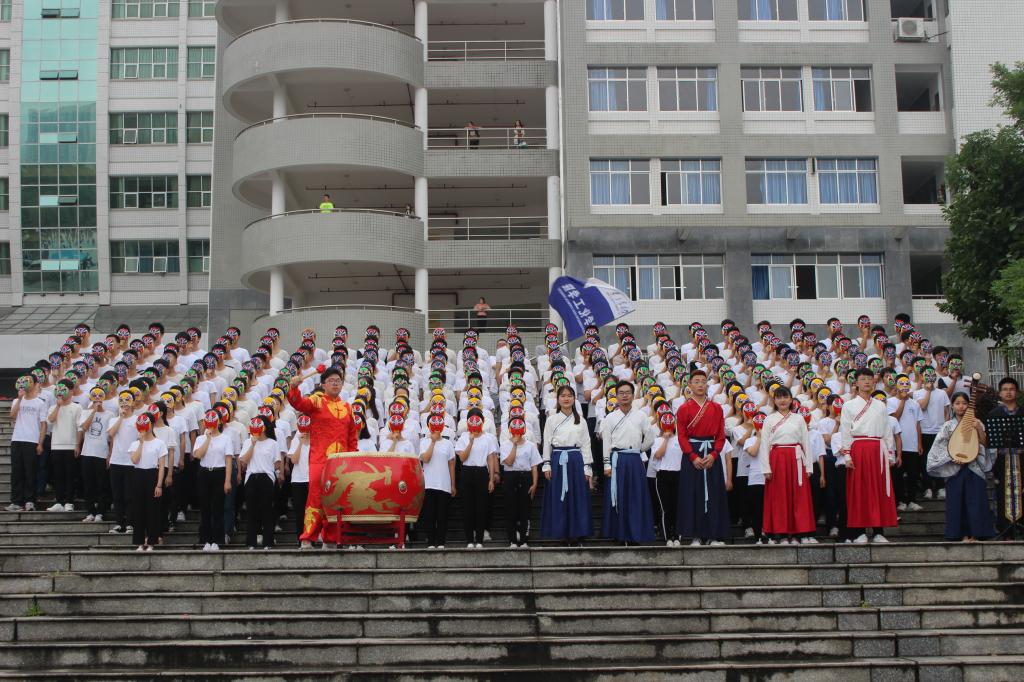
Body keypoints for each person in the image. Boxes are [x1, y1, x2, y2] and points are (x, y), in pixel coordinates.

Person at [287, 367, 359, 547]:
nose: (335, 383)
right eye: (331, 380)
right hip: (319, 460)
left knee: (336, 500)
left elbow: (352, 437)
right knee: (315, 498)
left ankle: (330, 538)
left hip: (340, 463)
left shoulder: (347, 407)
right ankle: (307, 537)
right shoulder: (317, 401)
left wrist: (351, 460)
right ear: (323, 384)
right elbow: (298, 403)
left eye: (338, 380)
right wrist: (294, 388)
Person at [926, 392, 996, 542]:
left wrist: (979, 429)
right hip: (954, 468)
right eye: (957, 403)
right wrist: (952, 457)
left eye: (964, 403)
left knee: (976, 501)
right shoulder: (947, 426)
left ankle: (977, 533)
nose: (961, 406)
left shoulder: (977, 422)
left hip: (974, 467)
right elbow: (939, 447)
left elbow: (985, 444)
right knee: (957, 502)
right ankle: (961, 534)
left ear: (969, 406)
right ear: (952, 406)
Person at [840, 368, 897, 543]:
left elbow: (887, 431)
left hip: (878, 448)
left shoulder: (880, 405)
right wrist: (847, 455)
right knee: (859, 490)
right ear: (856, 383)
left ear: (874, 382)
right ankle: (859, 532)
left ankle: (879, 531)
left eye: (869, 379)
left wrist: (890, 454)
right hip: (858, 448)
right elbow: (845, 431)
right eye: (863, 379)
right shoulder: (849, 405)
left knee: (878, 489)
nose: (866, 382)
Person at [676, 370, 730, 546]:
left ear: (707, 384)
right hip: (692, 454)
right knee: (692, 494)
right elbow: (681, 436)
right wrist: (692, 456)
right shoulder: (683, 409)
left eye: (703, 381)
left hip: (711, 453)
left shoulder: (716, 408)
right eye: (696, 381)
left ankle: (714, 535)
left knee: (714, 493)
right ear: (689, 385)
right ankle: (695, 536)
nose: (700, 384)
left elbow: (721, 435)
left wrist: (714, 454)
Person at [600, 380, 655, 545]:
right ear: (616, 396)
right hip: (616, 459)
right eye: (621, 393)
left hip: (634, 459)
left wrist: (638, 450)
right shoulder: (610, 417)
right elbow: (606, 443)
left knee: (635, 496)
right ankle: (619, 534)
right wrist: (607, 464)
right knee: (618, 496)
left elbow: (650, 438)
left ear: (633, 395)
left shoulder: (641, 415)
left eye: (628, 392)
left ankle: (636, 533)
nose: (624, 396)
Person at [759, 387, 816, 544]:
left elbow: (806, 443)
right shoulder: (769, 419)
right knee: (780, 497)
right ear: (774, 400)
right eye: (779, 397)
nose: (782, 400)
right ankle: (782, 533)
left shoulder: (798, 419)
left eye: (785, 397)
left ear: (791, 399)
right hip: (777, 459)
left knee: (799, 497)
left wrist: (808, 467)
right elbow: (764, 445)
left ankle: (800, 533)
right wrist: (766, 468)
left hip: (796, 459)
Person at [541, 386, 593, 544]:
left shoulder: (581, 420)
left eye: (569, 396)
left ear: (574, 398)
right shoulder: (551, 420)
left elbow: (586, 444)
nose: (566, 398)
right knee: (559, 496)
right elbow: (546, 444)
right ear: (558, 399)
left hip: (576, 459)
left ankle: (577, 532)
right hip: (558, 459)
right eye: (563, 396)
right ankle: (562, 532)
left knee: (577, 496)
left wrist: (587, 467)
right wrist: (547, 464)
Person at [456, 409, 499, 548]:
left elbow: (491, 458)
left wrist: (491, 479)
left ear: (482, 421)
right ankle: (469, 539)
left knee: (481, 507)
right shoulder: (463, 437)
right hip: (467, 471)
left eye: (477, 419)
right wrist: (471, 442)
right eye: (472, 419)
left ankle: (479, 539)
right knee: (467, 507)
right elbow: (462, 458)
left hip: (482, 472)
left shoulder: (488, 438)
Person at [192, 409, 232, 551]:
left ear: (219, 422)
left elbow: (228, 460)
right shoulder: (200, 439)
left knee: (218, 508)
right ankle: (206, 540)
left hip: (219, 472)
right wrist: (208, 439)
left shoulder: (226, 439)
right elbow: (197, 455)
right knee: (205, 508)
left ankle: (217, 540)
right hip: (204, 472)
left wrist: (227, 480)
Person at [240, 416, 282, 550]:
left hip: (267, 477)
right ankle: (251, 542)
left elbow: (277, 463)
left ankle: (268, 542)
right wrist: (253, 444)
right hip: (251, 477)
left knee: (267, 510)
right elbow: (243, 462)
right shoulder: (248, 442)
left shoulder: (273, 443)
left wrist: (267, 467)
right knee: (252, 511)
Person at [987, 377, 1022, 533]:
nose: (1008, 392)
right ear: (1000, 393)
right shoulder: (994, 414)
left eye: (1012, 389)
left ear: (1017, 392)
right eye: (1005, 390)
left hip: (1021, 458)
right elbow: (990, 440)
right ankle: (1004, 528)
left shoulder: (1022, 412)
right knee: (1002, 492)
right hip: (1002, 459)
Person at [127, 414, 167, 552]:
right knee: (138, 510)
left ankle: (151, 542)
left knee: (153, 510)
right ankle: (139, 542)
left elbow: (161, 466)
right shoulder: (135, 444)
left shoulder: (159, 443)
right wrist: (141, 443)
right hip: (138, 475)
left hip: (152, 475)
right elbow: (134, 460)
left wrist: (159, 485)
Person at [7, 376, 47, 512]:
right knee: (16, 472)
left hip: (32, 440)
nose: (25, 384)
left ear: (35, 384)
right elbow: (12, 415)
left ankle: (30, 500)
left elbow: (43, 424)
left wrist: (40, 443)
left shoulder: (40, 403)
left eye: (29, 382)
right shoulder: (16, 400)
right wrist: (19, 399)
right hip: (17, 439)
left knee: (31, 471)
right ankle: (16, 501)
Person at [501, 417, 541, 548]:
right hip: (510, 476)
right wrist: (514, 445)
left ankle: (524, 540)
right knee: (510, 509)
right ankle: (512, 540)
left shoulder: (531, 445)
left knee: (525, 509)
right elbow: (509, 462)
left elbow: (534, 466)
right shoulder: (505, 444)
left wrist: (534, 483)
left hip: (526, 476)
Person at [419, 416, 456, 549]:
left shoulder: (448, 444)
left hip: (444, 484)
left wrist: (453, 484)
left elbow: (451, 464)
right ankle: (430, 542)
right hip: (429, 484)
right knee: (429, 515)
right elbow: (425, 459)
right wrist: (433, 442)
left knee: (442, 515)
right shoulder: (424, 442)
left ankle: (441, 542)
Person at [78, 387, 113, 522]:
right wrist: (93, 411)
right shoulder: (85, 412)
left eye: (100, 395)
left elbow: (111, 437)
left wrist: (109, 454)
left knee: (102, 485)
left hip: (102, 453)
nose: (97, 398)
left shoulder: (110, 415)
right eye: (95, 395)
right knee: (88, 484)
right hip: (87, 452)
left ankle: (100, 512)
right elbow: (84, 428)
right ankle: (90, 511)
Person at [106, 391, 139, 534]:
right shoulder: (114, 420)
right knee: (117, 494)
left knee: (130, 495)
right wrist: (121, 417)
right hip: (116, 461)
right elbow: (111, 434)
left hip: (131, 462)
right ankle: (119, 523)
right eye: (121, 400)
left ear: (133, 402)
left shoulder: (137, 420)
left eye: (127, 399)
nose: (124, 402)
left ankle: (130, 523)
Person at [651, 413, 684, 545]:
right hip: (663, 475)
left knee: (677, 507)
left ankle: (677, 536)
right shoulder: (657, 441)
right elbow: (658, 455)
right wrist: (665, 439)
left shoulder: (680, 440)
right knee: (666, 508)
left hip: (678, 474)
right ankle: (668, 537)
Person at [286, 416, 312, 545]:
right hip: (298, 480)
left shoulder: (316, 440)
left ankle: (311, 536)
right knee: (300, 511)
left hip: (312, 479)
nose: (305, 432)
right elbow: (294, 460)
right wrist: (301, 443)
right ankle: (300, 538)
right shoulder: (296, 440)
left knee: (311, 511)